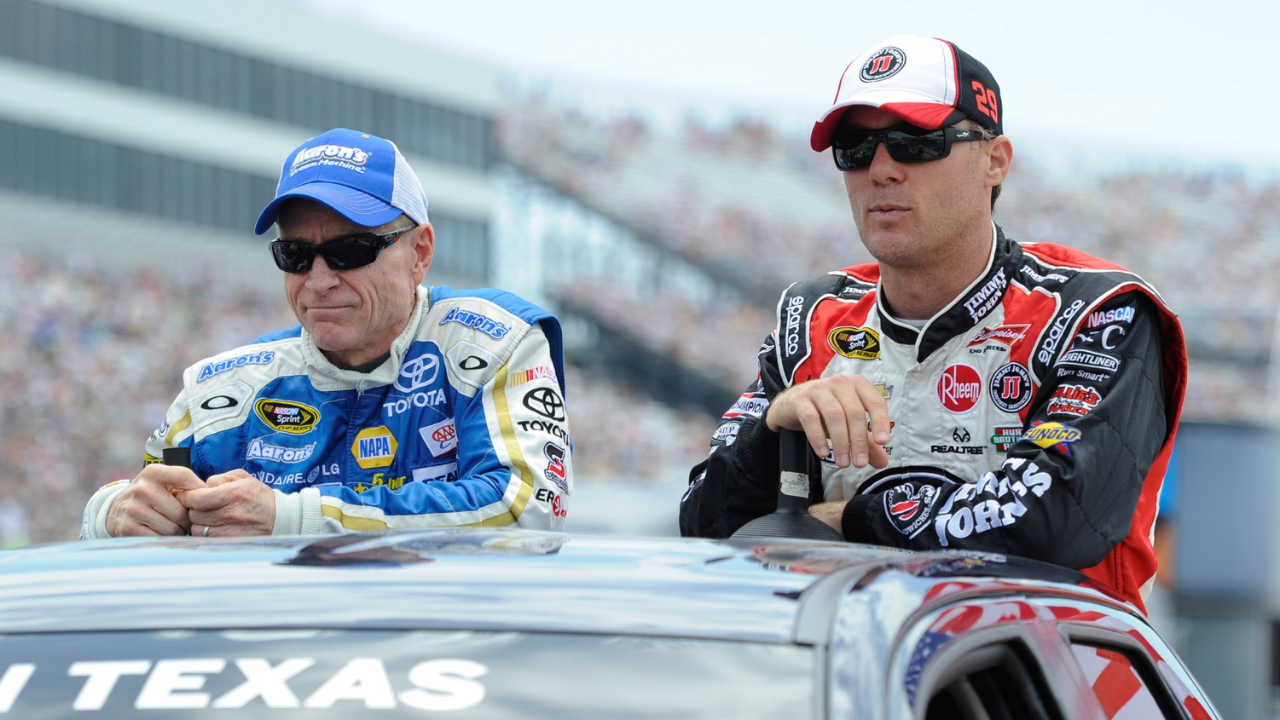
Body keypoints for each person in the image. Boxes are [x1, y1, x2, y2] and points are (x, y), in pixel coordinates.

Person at [679, 34, 1187, 612]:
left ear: (995, 161)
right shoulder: (812, 316)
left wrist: (851, 516)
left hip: (1052, 674)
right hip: (852, 670)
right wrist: (769, 434)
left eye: (916, 142)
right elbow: (703, 526)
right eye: (854, 147)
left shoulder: (1096, 312)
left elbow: (1053, 523)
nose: (881, 169)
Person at [82, 128, 573, 538]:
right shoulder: (219, 388)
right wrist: (110, 514)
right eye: (294, 255)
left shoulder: (494, 341)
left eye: (350, 251)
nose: (318, 281)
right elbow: (141, 501)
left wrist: (295, 518)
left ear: (420, 252)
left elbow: (528, 507)